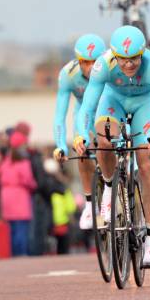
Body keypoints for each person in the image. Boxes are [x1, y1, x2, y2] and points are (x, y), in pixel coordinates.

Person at [75, 26, 150, 267]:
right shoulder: (102, 65)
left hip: (144, 105)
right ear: (114, 55)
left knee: (146, 165)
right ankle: (108, 187)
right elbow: (87, 107)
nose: (129, 65)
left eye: (135, 58)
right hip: (113, 101)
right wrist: (81, 136)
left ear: (143, 53)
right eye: (123, 60)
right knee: (103, 139)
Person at [53, 34, 106, 231]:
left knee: (112, 146)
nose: (91, 67)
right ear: (78, 61)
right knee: (81, 148)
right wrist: (60, 145)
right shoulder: (68, 74)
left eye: (95, 62)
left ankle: (118, 187)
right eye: (85, 62)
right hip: (84, 116)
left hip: (108, 111)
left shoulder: (109, 68)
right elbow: (60, 114)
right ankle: (90, 205)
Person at [0, 131, 37, 257]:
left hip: (6, 196)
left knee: (12, 229)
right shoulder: (23, 161)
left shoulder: (5, 161)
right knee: (22, 228)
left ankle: (14, 254)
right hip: (20, 196)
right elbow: (28, 180)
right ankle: (21, 254)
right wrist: (34, 186)